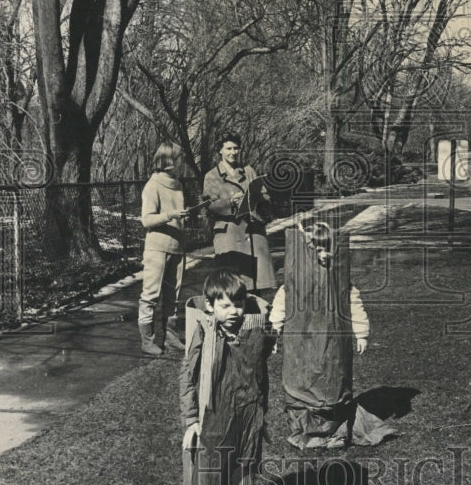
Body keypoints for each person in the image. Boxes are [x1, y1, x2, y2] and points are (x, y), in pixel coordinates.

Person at [179, 269, 274, 485]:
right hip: (213, 420)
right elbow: (187, 377)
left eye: (238, 304)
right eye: (225, 305)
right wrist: (191, 420)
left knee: (241, 472)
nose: (233, 312)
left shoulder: (251, 331)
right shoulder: (205, 331)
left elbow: (260, 373)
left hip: (245, 418)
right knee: (209, 476)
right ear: (209, 306)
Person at [270, 221, 370, 450]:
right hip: (302, 344)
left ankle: (332, 430)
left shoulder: (341, 282)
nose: (322, 254)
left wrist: (361, 333)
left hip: (332, 345)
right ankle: (306, 430)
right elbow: (280, 305)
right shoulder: (294, 283)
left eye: (326, 248)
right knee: (303, 382)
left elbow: (355, 305)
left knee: (331, 380)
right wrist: (274, 329)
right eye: (316, 249)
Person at [202, 132, 276, 297]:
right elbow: (209, 205)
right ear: (220, 151)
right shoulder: (211, 176)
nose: (233, 152)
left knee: (258, 287)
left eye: (236, 148)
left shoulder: (249, 171)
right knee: (231, 285)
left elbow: (265, 197)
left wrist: (255, 198)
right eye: (228, 148)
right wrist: (230, 201)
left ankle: (256, 321)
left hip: (253, 231)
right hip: (229, 234)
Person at [138, 142, 189, 357]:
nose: (183, 163)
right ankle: (147, 340)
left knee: (172, 296)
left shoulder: (177, 184)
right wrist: (171, 215)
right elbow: (147, 220)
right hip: (157, 248)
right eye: (180, 159)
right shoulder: (153, 185)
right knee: (150, 295)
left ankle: (170, 336)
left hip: (177, 246)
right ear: (169, 162)